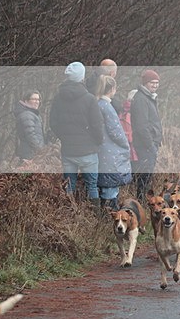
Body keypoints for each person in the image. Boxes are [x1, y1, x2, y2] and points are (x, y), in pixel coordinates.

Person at [49, 62, 104, 210]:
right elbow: (97, 125)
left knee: (69, 185)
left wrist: (64, 137)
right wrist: (98, 141)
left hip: (68, 150)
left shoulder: (58, 98)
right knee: (92, 186)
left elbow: (53, 123)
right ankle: (95, 218)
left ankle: (69, 215)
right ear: (82, 77)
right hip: (88, 150)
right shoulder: (90, 99)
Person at [95, 75, 132, 213]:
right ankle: (109, 215)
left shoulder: (97, 104)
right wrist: (125, 144)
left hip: (101, 150)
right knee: (110, 186)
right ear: (112, 89)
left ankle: (107, 214)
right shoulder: (107, 106)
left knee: (106, 184)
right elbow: (116, 131)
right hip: (110, 152)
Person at [130, 69, 163, 200]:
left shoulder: (149, 97)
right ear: (145, 83)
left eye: (157, 83)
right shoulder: (141, 99)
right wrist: (150, 145)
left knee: (147, 176)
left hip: (150, 144)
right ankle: (141, 202)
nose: (155, 85)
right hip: (145, 145)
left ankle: (144, 202)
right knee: (144, 177)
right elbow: (141, 127)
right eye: (152, 83)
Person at [14, 90, 45, 164]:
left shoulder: (32, 114)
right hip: (29, 154)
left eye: (38, 99)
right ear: (26, 101)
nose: (37, 102)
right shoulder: (27, 115)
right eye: (34, 99)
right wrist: (40, 149)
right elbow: (30, 135)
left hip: (31, 152)